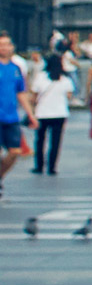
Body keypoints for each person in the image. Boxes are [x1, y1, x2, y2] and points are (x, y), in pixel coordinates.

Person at [0, 33, 33, 195]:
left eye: (7, 44)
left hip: (11, 117)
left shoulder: (15, 68)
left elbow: (21, 93)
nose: (4, 48)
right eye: (1, 44)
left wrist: (31, 114)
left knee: (15, 151)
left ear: (12, 47)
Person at [30, 51, 73, 174]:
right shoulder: (65, 79)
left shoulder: (41, 77)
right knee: (55, 141)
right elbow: (69, 95)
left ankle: (39, 166)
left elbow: (34, 95)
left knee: (40, 140)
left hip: (42, 113)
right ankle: (52, 167)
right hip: (59, 113)